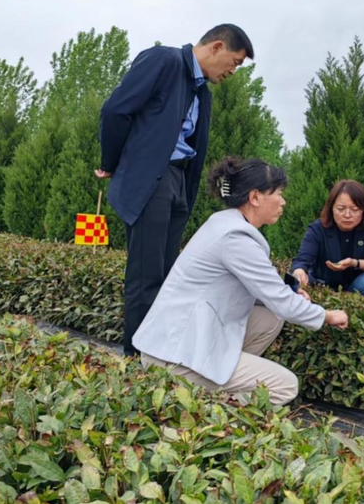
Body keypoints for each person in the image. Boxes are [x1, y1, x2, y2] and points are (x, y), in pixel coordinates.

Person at [133, 157, 350, 406]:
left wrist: (290, 297)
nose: (283, 201)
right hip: (173, 356)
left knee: (270, 318)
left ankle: (217, 378)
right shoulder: (236, 238)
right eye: (278, 193)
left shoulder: (225, 224)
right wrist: (328, 316)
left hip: (173, 342)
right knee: (285, 386)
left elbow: (270, 295)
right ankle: (204, 406)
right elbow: (281, 301)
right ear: (255, 197)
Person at [96, 24, 254, 356]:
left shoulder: (202, 93)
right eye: (235, 62)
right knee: (146, 277)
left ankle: (159, 357)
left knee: (169, 279)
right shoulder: (164, 61)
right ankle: (136, 362)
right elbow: (116, 110)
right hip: (153, 180)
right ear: (216, 47)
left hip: (178, 183)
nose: (232, 71)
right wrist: (112, 163)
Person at [291, 180, 364, 297]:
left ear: (363, 210)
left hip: (360, 286)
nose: (347, 215)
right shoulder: (318, 229)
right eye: (341, 208)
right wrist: (299, 271)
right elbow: (302, 259)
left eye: (354, 209)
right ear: (332, 208)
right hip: (325, 287)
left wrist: (354, 263)